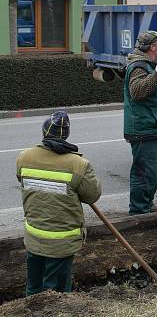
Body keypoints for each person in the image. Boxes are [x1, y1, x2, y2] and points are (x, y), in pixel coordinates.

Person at [16, 111, 102, 296]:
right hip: (61, 242)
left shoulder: (24, 158)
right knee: (58, 294)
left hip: (34, 236)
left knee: (34, 287)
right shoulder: (78, 165)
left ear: (44, 133)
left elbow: (23, 180)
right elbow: (92, 195)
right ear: (66, 134)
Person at [124, 30, 157, 215]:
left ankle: (146, 204)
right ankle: (138, 211)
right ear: (152, 47)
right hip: (142, 129)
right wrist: (156, 73)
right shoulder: (138, 66)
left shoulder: (148, 64)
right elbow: (137, 92)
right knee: (144, 173)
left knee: (154, 170)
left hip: (151, 128)